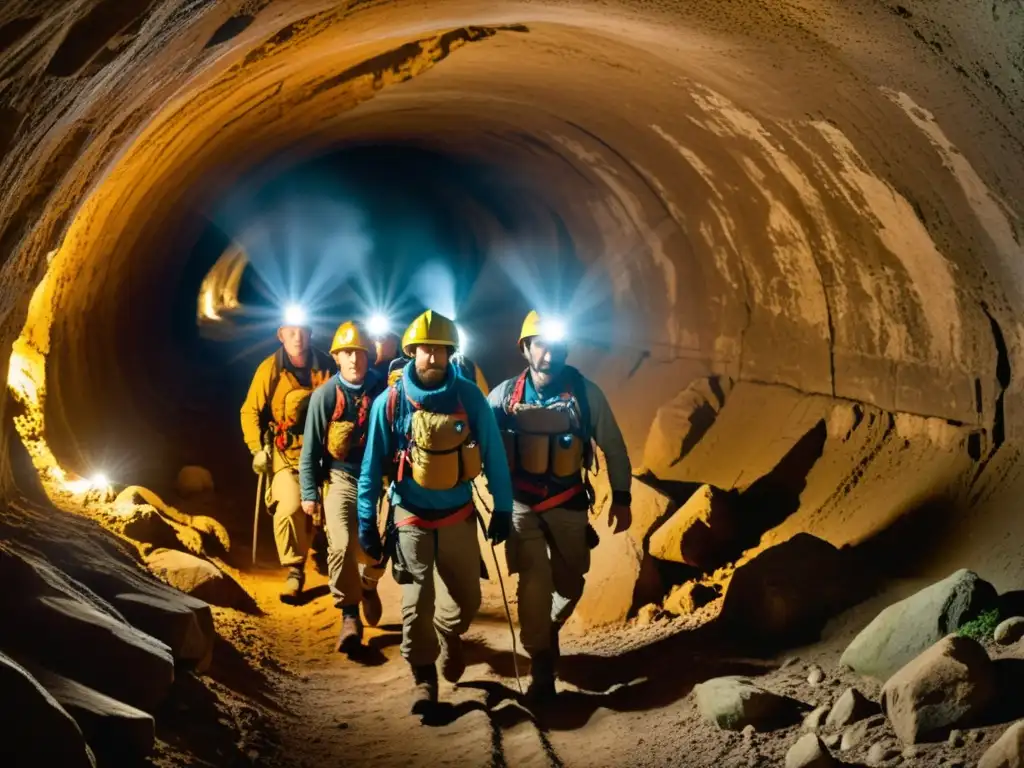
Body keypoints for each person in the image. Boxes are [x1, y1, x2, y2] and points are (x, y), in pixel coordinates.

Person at [357, 309, 514, 713]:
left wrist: (503, 506)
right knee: (415, 604)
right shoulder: (389, 403)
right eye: (426, 349)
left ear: (450, 355)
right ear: (412, 352)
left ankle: (450, 632)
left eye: (441, 350)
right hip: (409, 516)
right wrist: (365, 522)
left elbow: (494, 454)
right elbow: (372, 466)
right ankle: (423, 678)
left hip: (458, 514)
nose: (432, 357)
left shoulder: (469, 397)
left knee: (466, 601)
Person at [487, 310, 633, 701]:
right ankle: (542, 666)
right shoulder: (504, 396)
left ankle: (548, 627)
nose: (549, 354)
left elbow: (614, 447)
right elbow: (478, 439)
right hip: (522, 505)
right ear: (526, 349)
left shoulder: (586, 394)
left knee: (570, 584)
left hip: (568, 502)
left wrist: (622, 496)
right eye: (540, 346)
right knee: (533, 582)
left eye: (556, 346)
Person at [299, 321, 387, 653]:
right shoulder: (325, 397)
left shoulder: (383, 390)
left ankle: (369, 584)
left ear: (368, 356)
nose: (354, 359)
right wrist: (309, 492)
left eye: (359, 353)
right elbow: (310, 450)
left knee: (385, 541)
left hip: (380, 478)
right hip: (341, 477)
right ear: (337, 357)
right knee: (340, 544)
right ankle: (349, 613)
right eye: (347, 353)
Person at [240, 307, 336, 603]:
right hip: (287, 451)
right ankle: (295, 569)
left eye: (302, 331)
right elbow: (250, 411)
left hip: (324, 451)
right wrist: (257, 449)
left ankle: (327, 550)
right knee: (289, 507)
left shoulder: (327, 366)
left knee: (335, 507)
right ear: (281, 334)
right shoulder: (270, 369)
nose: (297, 337)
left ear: (310, 333)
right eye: (290, 331)